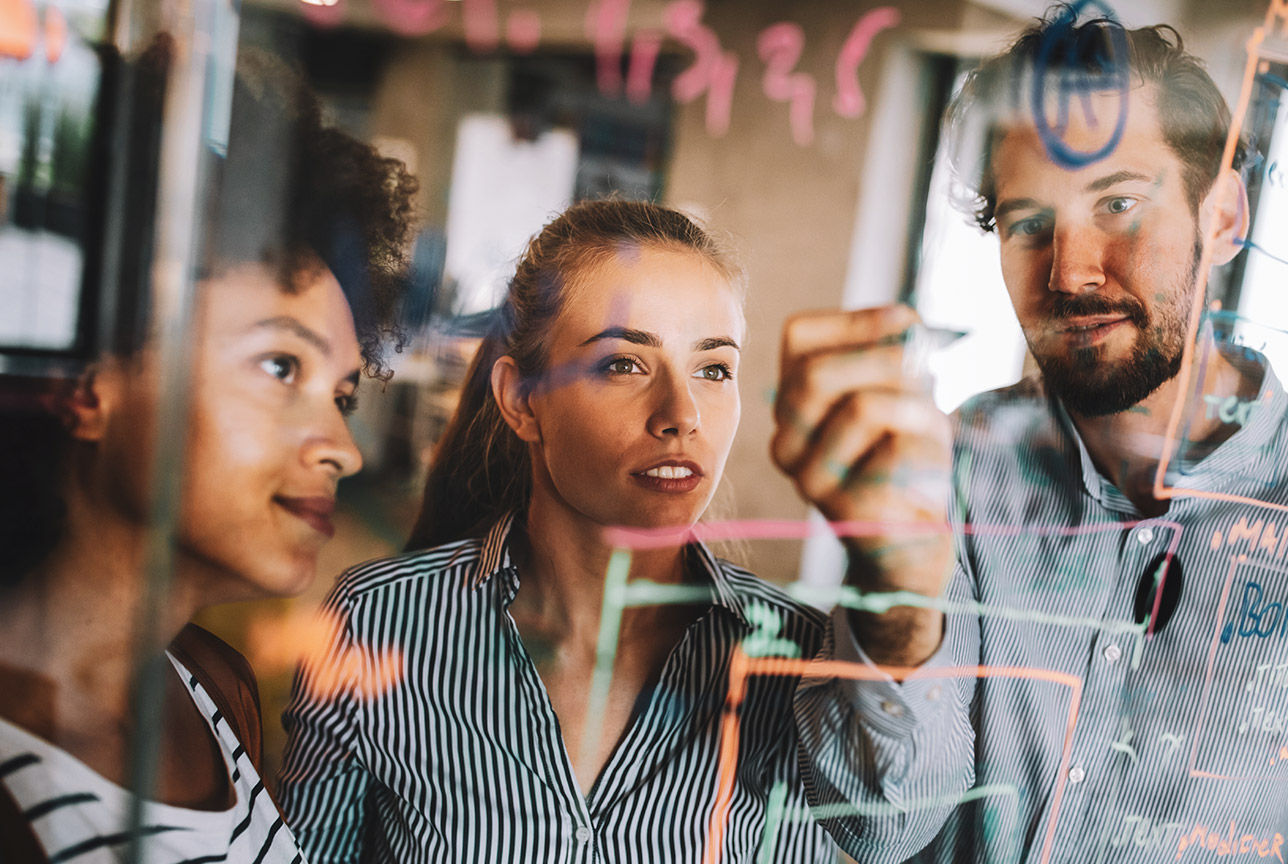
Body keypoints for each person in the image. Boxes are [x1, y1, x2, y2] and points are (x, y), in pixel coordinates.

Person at [780, 9, 1288, 864]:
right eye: (1028, 222)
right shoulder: (949, 468)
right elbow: (879, 829)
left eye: (1118, 202)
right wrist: (895, 600)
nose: (1070, 270)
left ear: (1222, 217)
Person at [279, 199, 860, 863]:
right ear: (522, 400)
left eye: (713, 368)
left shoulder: (801, 661)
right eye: (623, 363)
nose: (682, 414)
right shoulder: (377, 621)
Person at [0, 40, 417, 863]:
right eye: (279, 365)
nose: (343, 450)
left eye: (341, 395)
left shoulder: (215, 690)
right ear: (90, 383)